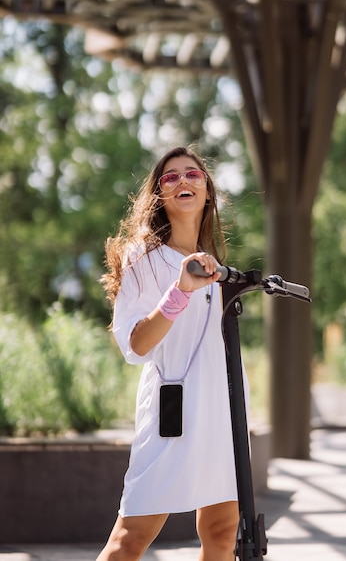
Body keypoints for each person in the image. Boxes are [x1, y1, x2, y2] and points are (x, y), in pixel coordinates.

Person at [97, 146, 249, 561]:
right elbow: (135, 346)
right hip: (172, 413)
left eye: (193, 174)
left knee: (221, 532)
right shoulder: (142, 260)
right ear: (159, 194)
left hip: (221, 410)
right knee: (130, 539)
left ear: (208, 191)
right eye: (170, 177)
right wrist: (179, 292)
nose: (182, 181)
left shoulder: (217, 266)